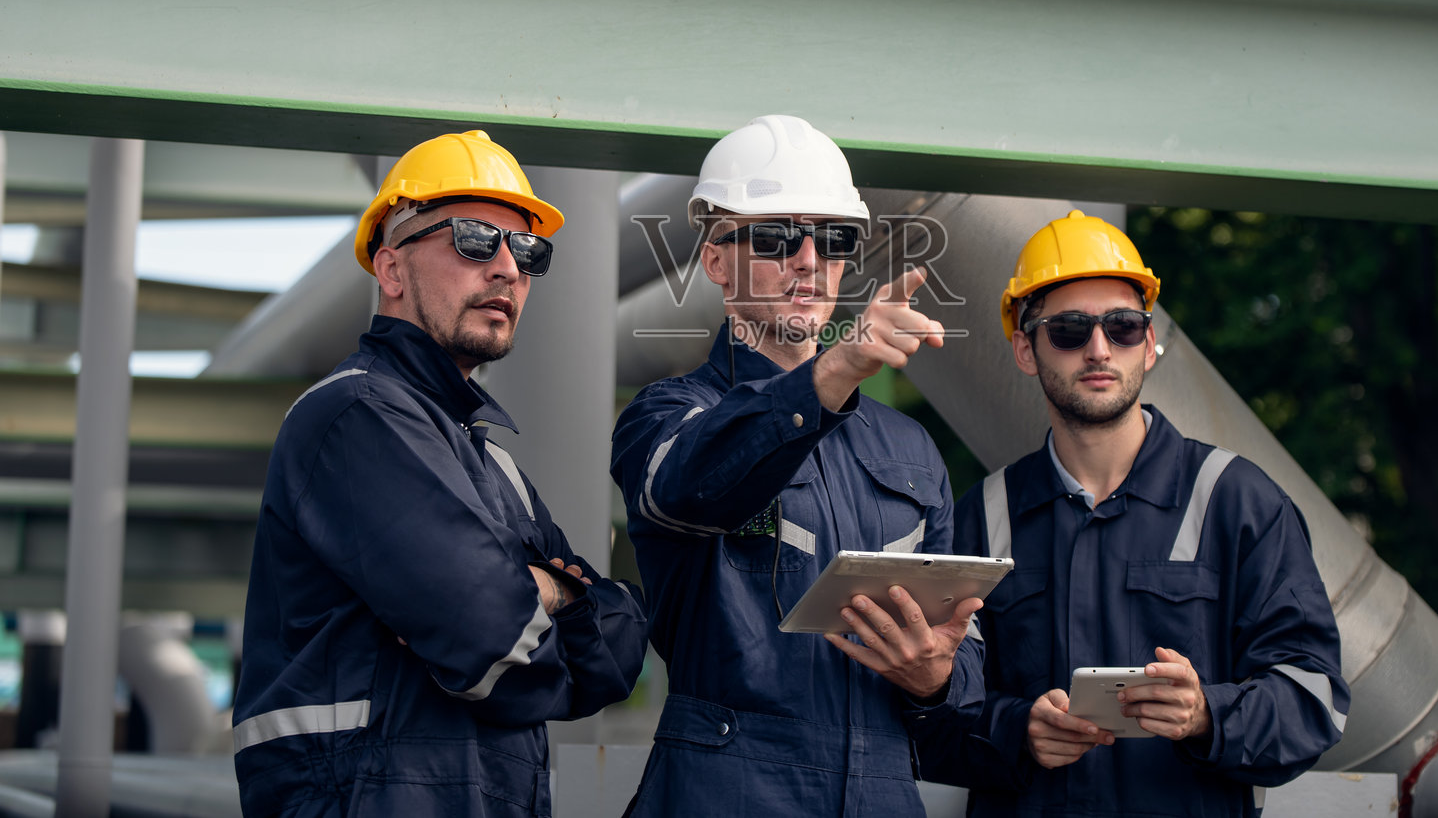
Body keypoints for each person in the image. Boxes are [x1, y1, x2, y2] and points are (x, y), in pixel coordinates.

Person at [232, 130, 648, 817]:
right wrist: (550, 598)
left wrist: (550, 593)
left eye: (528, 250)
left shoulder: (491, 460)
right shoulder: (357, 416)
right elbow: (491, 646)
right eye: (475, 240)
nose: (508, 269)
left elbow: (614, 658)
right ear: (392, 270)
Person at [610, 114, 986, 815]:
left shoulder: (910, 448)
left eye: (833, 239)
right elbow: (687, 485)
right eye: (777, 237)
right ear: (716, 261)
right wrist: (832, 373)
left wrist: (938, 678)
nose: (809, 259)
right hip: (728, 793)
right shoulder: (664, 415)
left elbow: (965, 660)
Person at [948, 210, 1348, 817]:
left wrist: (1208, 715)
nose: (1099, 349)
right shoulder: (982, 516)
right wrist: (1016, 731)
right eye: (1069, 330)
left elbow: (1314, 698)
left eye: (1123, 327)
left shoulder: (1236, 501)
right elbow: (930, 707)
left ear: (1150, 344)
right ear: (1026, 350)